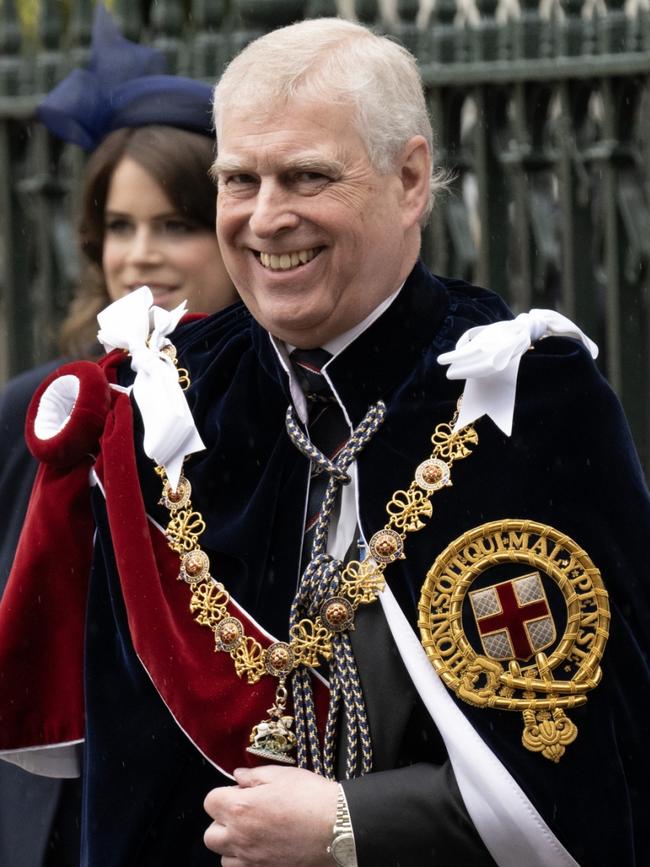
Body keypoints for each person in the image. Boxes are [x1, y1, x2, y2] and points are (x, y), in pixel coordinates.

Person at [0, 16, 648, 867]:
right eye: (239, 180)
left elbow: (596, 779)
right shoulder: (167, 405)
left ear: (410, 179)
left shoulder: (522, 401)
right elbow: (124, 785)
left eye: (307, 176)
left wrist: (351, 823)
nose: (267, 218)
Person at [0, 6, 237, 866]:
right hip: (49, 806)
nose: (141, 254)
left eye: (176, 224)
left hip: (202, 805)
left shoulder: (274, 414)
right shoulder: (37, 409)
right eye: (121, 228)